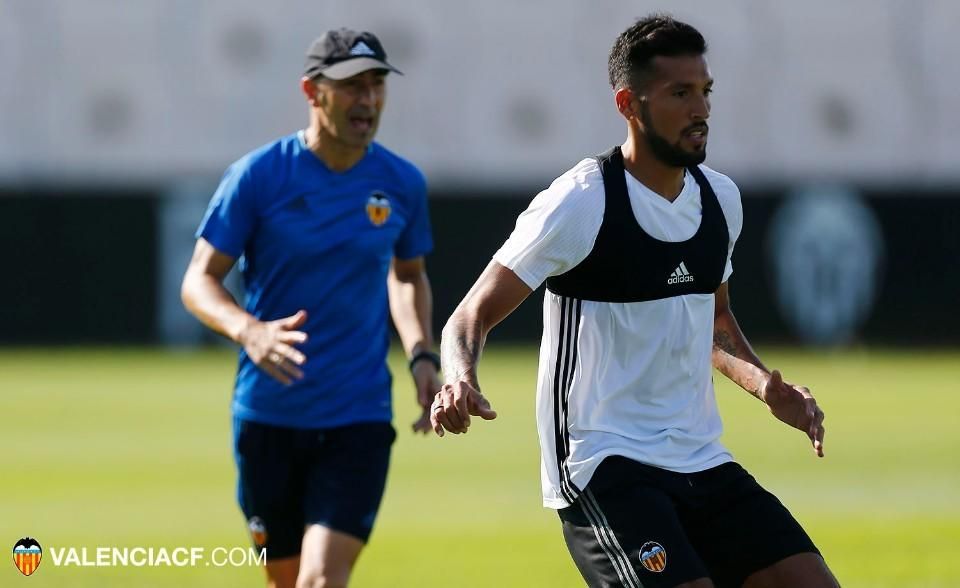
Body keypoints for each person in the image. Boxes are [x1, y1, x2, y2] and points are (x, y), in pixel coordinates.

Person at [431, 14, 839, 588]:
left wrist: (765, 385)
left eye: (705, 91)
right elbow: (469, 315)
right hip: (603, 465)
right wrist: (459, 378)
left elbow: (715, 322)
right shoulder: (581, 203)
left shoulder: (720, 201)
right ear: (629, 104)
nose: (701, 110)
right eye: (680, 93)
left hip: (701, 458)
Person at [181, 28, 439, 588]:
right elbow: (199, 282)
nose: (367, 100)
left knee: (322, 579)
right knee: (287, 580)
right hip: (268, 416)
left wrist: (421, 353)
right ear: (312, 91)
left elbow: (408, 276)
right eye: (351, 86)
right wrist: (250, 332)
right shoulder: (258, 176)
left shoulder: (401, 183)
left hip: (359, 415)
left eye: (376, 85)